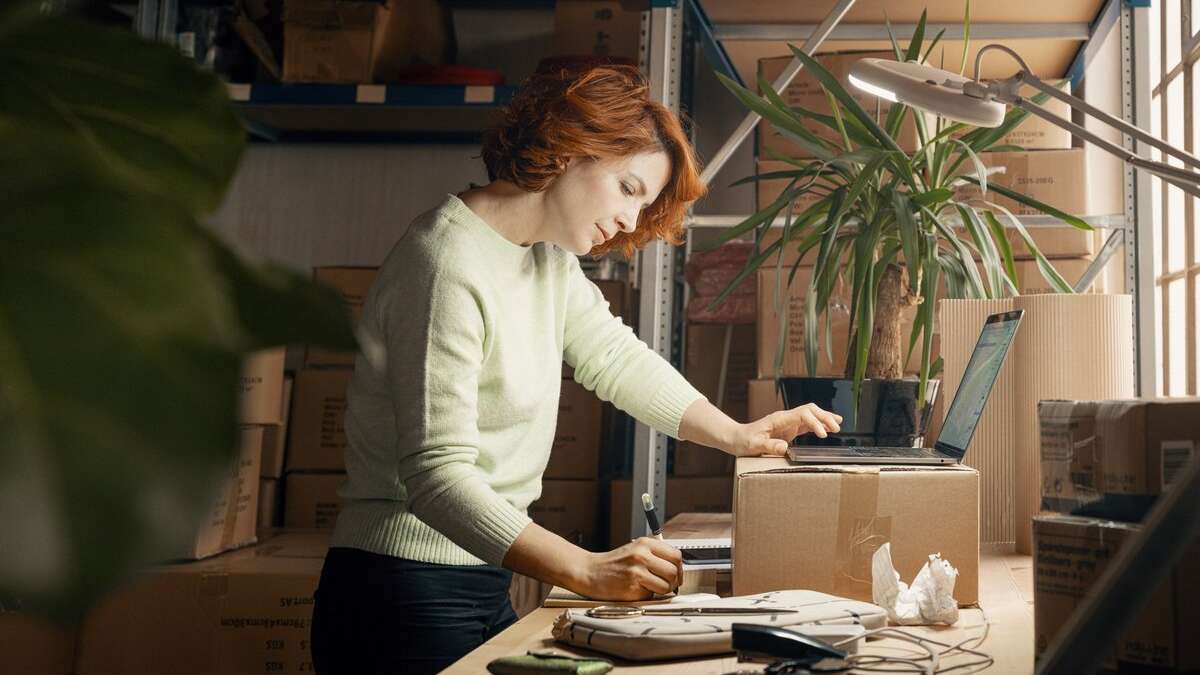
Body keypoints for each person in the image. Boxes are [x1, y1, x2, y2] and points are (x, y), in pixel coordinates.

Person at [309, 64, 843, 675]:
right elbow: (436, 477)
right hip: (399, 590)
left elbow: (615, 358)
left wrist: (738, 435)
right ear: (572, 150)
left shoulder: (545, 261)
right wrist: (587, 569)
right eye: (628, 189)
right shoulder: (444, 262)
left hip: (478, 577)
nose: (633, 221)